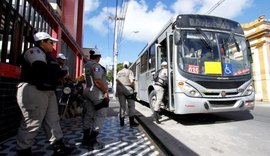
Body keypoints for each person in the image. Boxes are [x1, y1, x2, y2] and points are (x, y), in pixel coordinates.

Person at [16, 32, 75, 155]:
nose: (52, 45)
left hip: (48, 91)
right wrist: (59, 73)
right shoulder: (34, 52)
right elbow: (41, 69)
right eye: (50, 42)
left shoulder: (46, 55)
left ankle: (58, 146)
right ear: (42, 42)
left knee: (53, 120)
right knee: (32, 122)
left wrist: (59, 74)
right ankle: (23, 151)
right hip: (34, 90)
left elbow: (55, 72)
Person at [81, 48, 109, 150]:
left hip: (88, 91)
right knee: (101, 114)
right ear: (98, 57)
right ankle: (92, 141)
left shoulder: (87, 65)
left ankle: (85, 140)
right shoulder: (96, 66)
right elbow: (97, 81)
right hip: (96, 93)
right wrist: (105, 91)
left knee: (89, 115)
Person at [116, 61, 139, 127]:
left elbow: (117, 82)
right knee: (131, 106)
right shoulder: (130, 71)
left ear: (123, 65)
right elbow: (132, 81)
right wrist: (133, 88)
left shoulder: (119, 72)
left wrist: (117, 91)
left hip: (120, 89)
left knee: (122, 106)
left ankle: (122, 123)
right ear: (128, 65)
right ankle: (131, 123)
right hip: (128, 89)